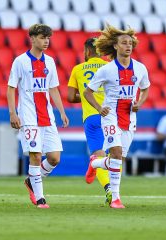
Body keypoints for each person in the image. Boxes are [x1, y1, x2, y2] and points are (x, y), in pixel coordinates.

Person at [83, 24, 150, 208]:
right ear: (115, 46)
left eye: (130, 43)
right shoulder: (106, 70)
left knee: (118, 159)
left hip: (129, 118)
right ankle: (116, 198)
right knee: (117, 153)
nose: (128, 46)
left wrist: (140, 103)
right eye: (123, 43)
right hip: (110, 115)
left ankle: (96, 163)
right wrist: (99, 108)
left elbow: (145, 88)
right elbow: (88, 92)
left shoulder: (140, 68)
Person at [7, 24, 69, 209]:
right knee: (35, 155)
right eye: (42, 38)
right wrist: (13, 113)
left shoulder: (50, 62)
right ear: (32, 38)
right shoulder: (20, 61)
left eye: (48, 38)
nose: (46, 41)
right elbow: (11, 88)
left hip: (47, 116)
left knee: (54, 158)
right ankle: (41, 199)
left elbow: (53, 88)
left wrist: (61, 111)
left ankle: (31, 181)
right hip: (28, 116)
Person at [67, 38, 111, 204]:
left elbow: (70, 97)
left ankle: (109, 189)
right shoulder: (109, 67)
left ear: (86, 52)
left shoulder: (77, 69)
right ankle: (113, 190)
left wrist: (87, 98)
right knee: (114, 155)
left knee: (99, 154)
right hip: (110, 115)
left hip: (92, 117)